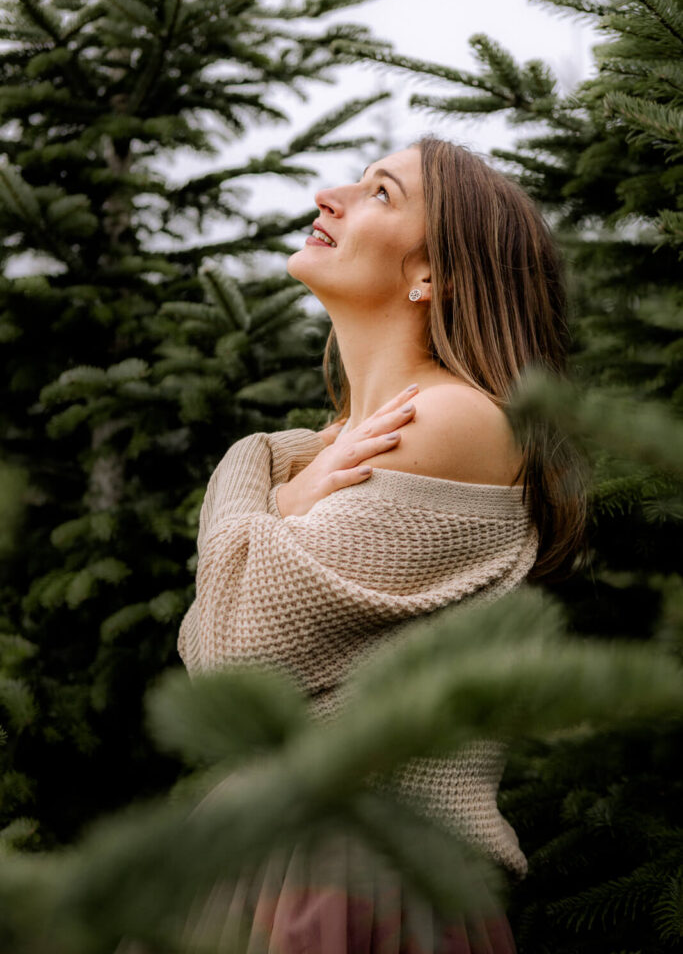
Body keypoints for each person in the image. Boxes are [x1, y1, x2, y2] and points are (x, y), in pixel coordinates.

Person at [176, 136, 589, 953]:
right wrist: (272, 480)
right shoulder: (337, 442)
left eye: (379, 194)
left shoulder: (447, 421)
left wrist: (251, 478)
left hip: (348, 873)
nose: (330, 195)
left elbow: (228, 654)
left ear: (431, 275)